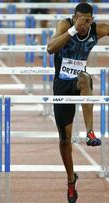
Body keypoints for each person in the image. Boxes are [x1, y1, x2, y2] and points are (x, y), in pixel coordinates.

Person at [47, 2, 108, 203]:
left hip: (78, 82)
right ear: (74, 18)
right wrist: (73, 30)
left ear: (92, 19)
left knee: (84, 78)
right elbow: (50, 48)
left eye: (87, 21)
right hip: (61, 85)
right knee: (65, 139)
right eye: (81, 20)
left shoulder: (97, 29)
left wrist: (89, 25)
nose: (84, 25)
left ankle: (90, 132)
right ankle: (71, 180)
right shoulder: (64, 25)